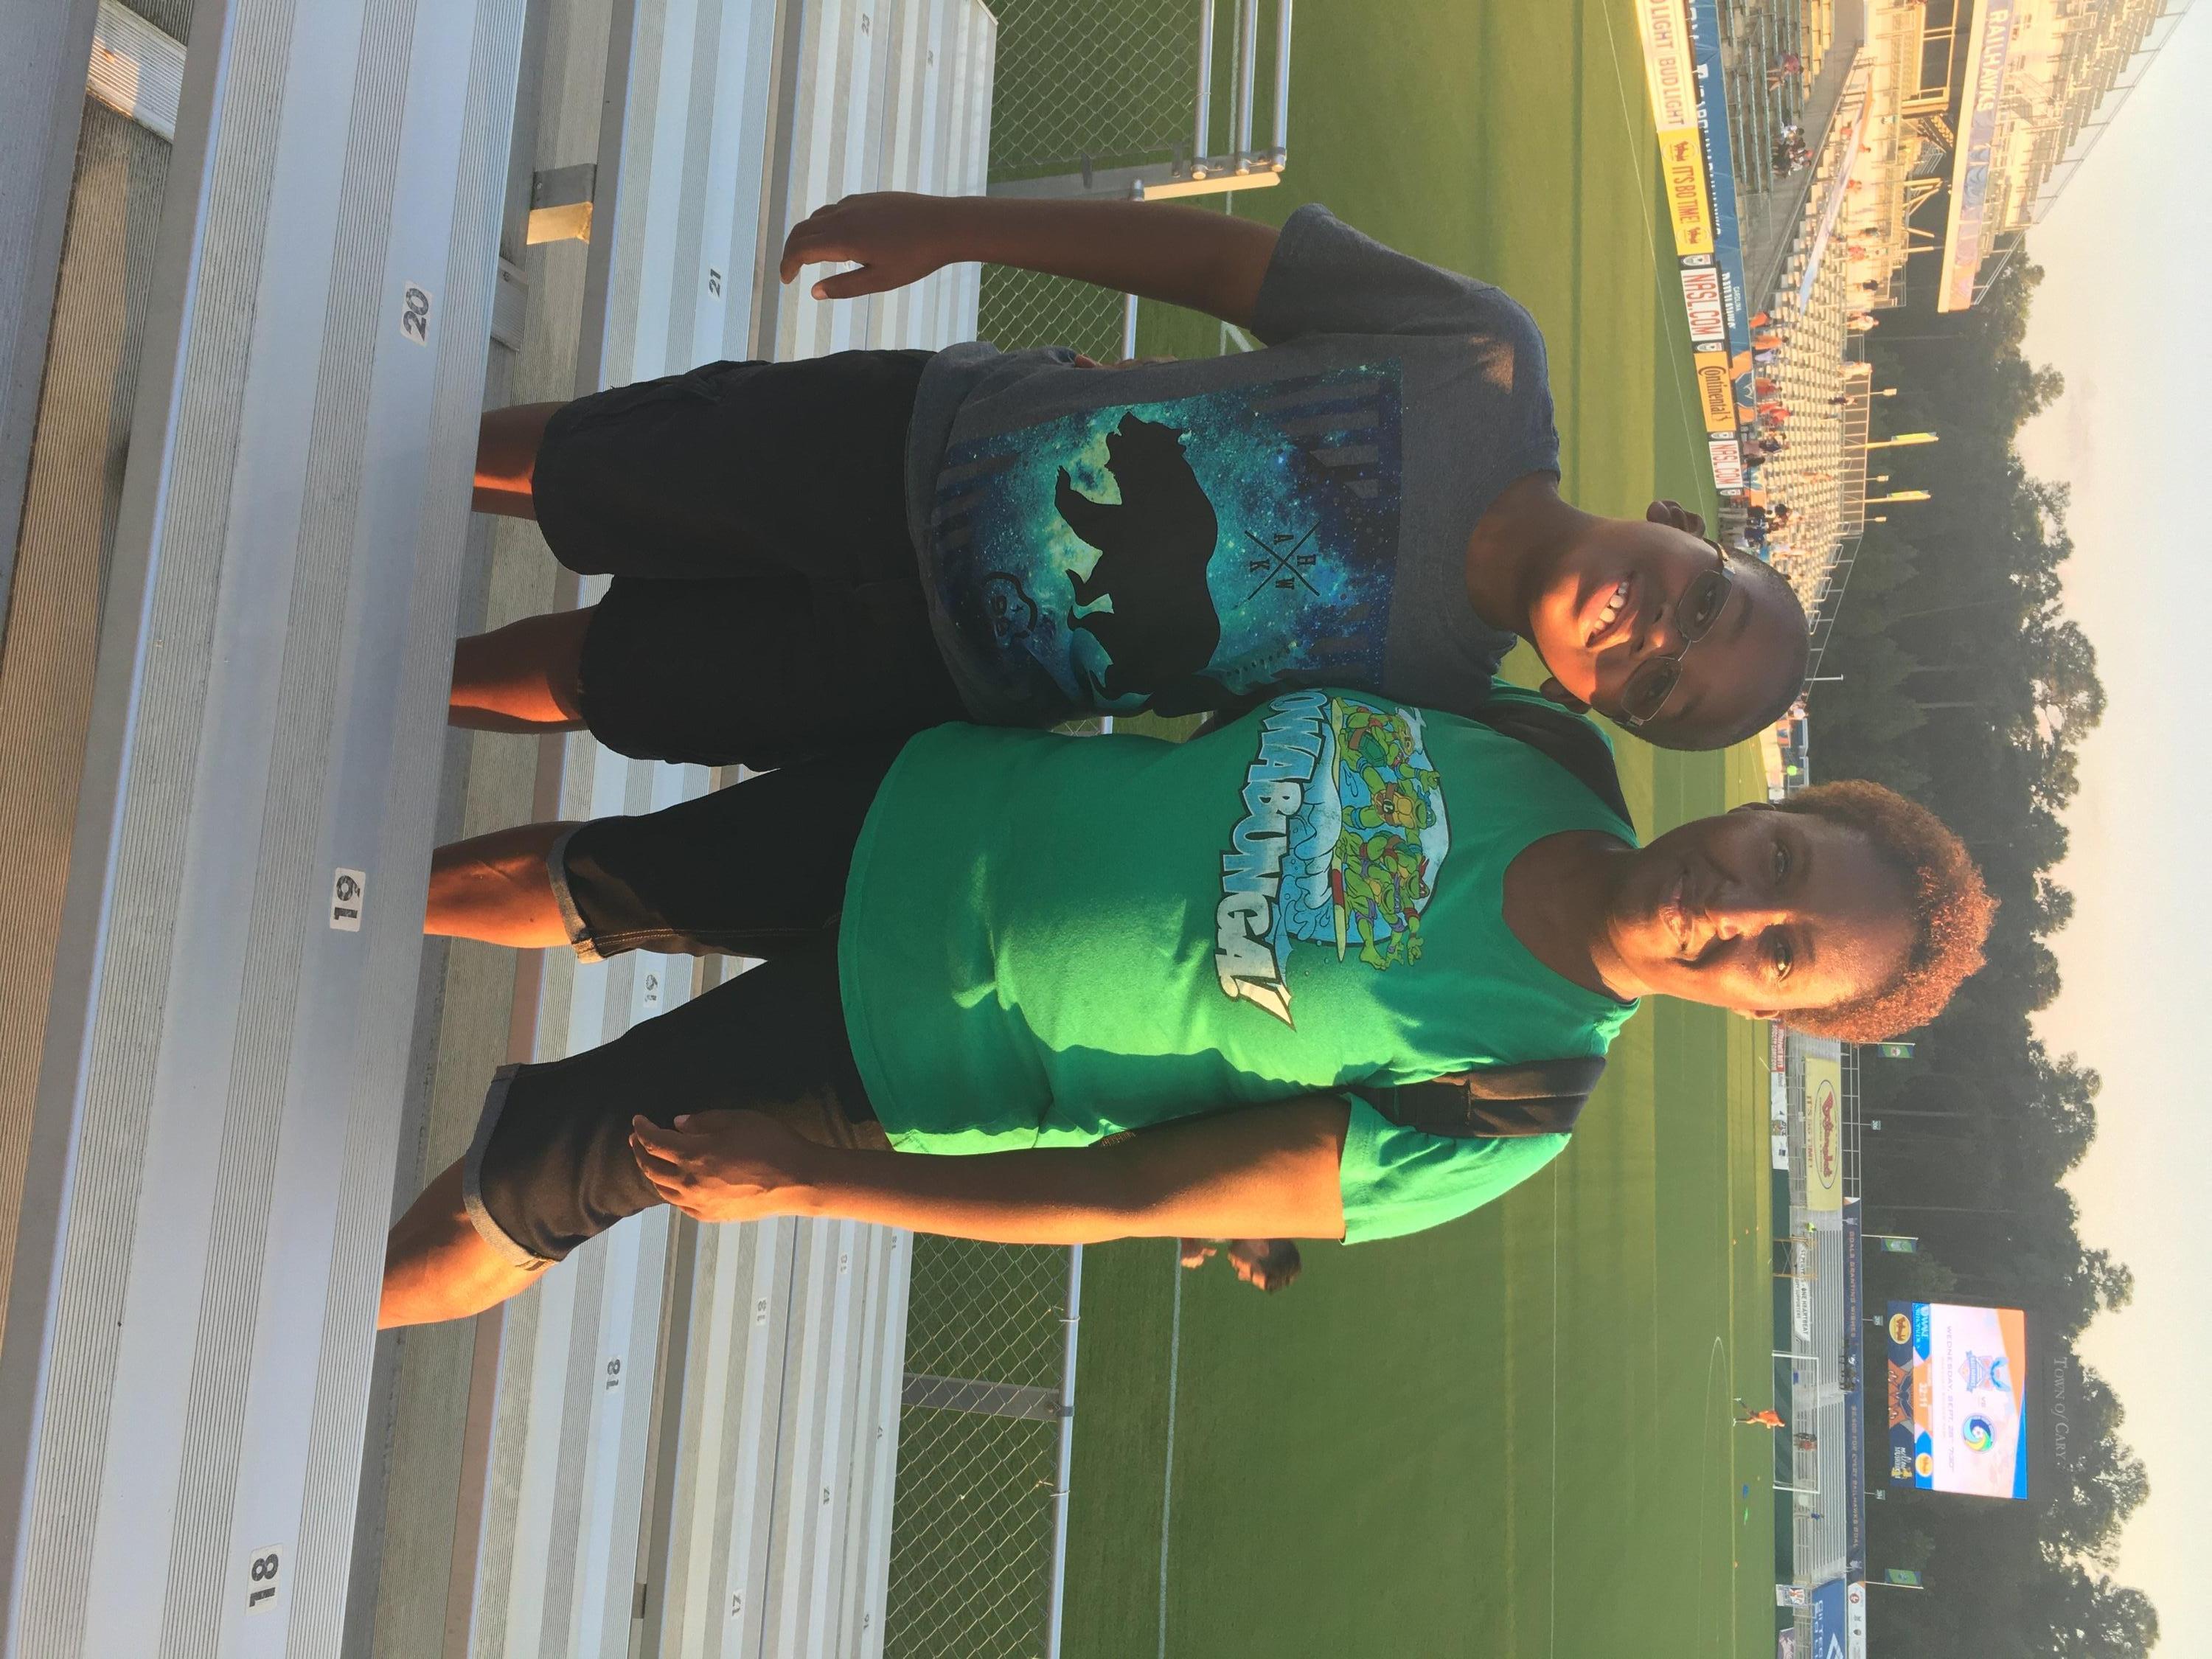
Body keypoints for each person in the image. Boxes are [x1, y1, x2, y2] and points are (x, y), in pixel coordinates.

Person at [378, 688, 1994, 1327]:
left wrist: (810, 1180)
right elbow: (1256, 692)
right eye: (1783, 858)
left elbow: (1124, 1193)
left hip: (896, 1051)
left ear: (1775, 1018)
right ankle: (326, 883)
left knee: (527, 1192)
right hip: (936, 798)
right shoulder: (1545, 748)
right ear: (1772, 801)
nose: (1736, 906)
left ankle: (300, 1332)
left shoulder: (1510, 1102)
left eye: (1783, 951)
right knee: (583, 876)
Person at [455, 193, 1811, 768]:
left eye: (1657, 687)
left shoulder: (1433, 705)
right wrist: (954, 227)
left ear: (1589, 703)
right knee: (590, 468)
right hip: (913, 443)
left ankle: (409, 682)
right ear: (1683, 525)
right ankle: (382, 470)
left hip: (929, 677)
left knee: (605, 677)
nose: (1654, 633)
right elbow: (1221, 267)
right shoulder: (1485, 360)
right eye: (1706, 602)